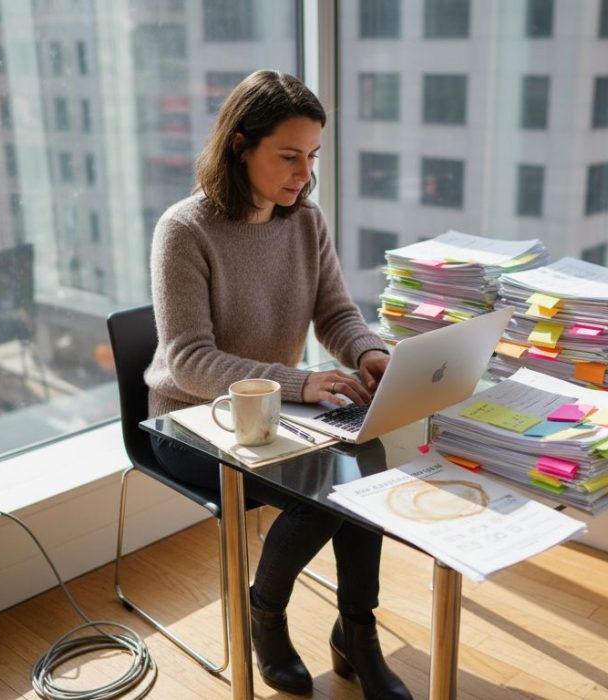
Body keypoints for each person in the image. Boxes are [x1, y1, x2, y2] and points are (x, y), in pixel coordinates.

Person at [145, 70, 412, 699]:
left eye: (312, 156)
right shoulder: (184, 230)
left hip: (282, 417)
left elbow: (337, 313)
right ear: (241, 146)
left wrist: (369, 353)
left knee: (364, 468)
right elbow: (186, 360)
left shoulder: (304, 221)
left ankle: (356, 631)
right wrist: (300, 382)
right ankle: (266, 615)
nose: (303, 173)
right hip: (189, 421)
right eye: (288, 156)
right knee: (324, 490)